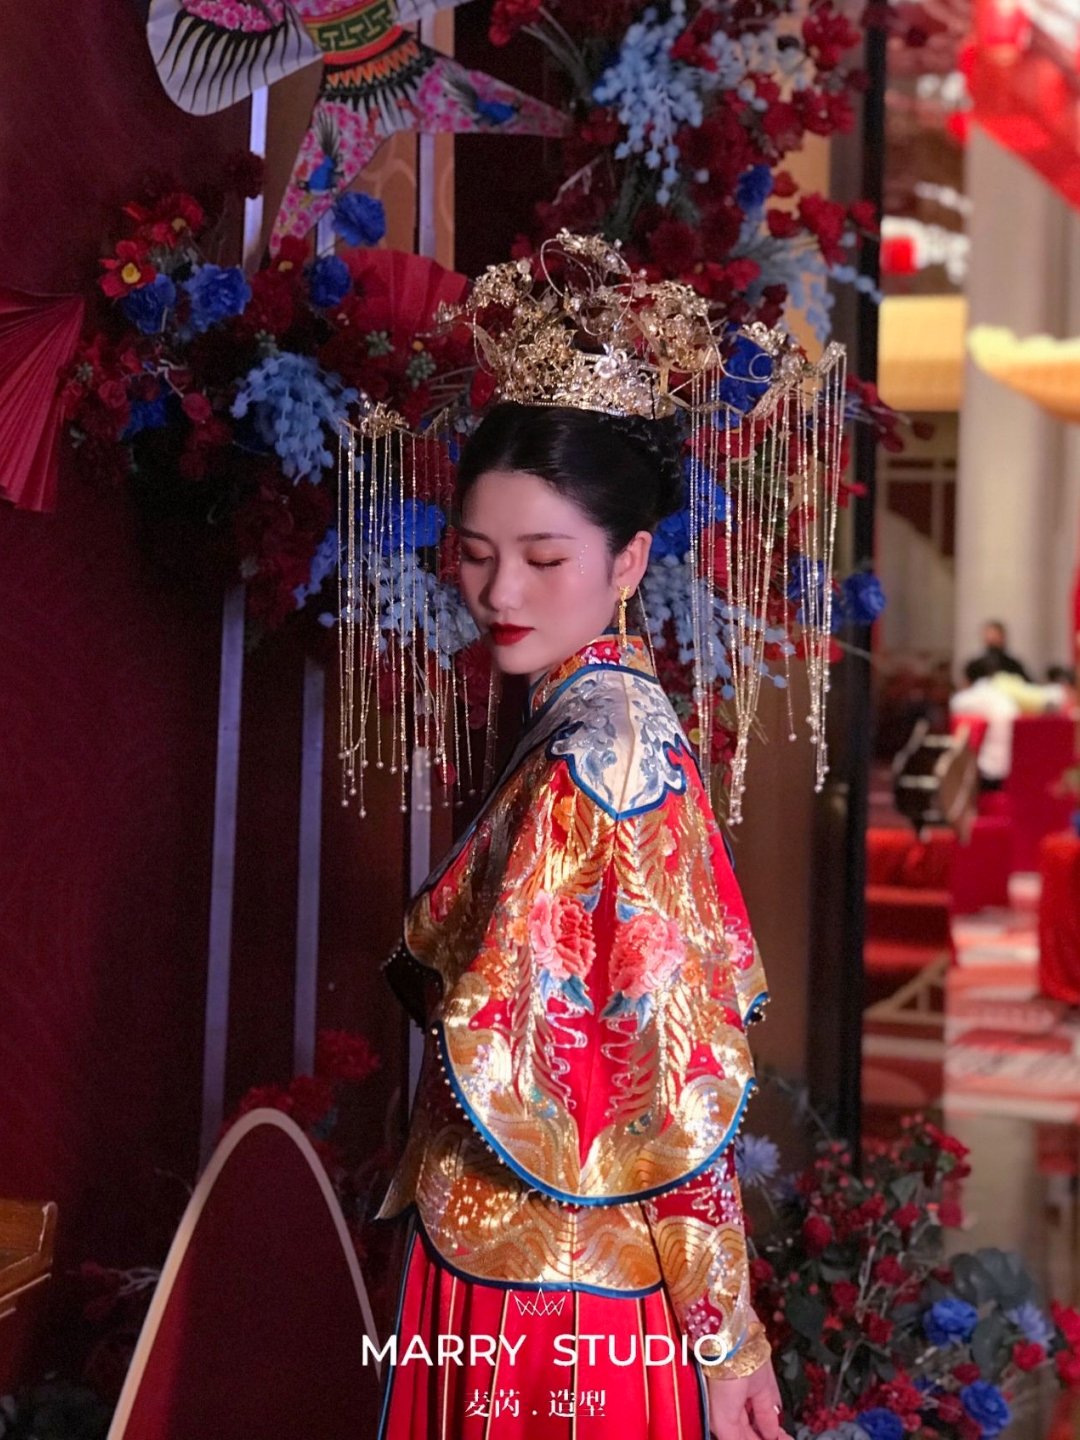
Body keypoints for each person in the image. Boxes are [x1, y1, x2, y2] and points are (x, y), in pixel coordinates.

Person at [374, 403, 786, 1440]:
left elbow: (668, 1090)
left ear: (630, 560)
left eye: (544, 559)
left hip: (557, 1296)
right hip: (522, 1265)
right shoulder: (592, 718)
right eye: (476, 554)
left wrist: (726, 1338)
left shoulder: (604, 759)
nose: (500, 593)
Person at [963, 620, 1031, 683]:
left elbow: (1026, 684)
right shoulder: (974, 666)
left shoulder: (1013, 665)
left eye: (995, 637)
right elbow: (966, 685)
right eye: (990, 637)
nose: (992, 640)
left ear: (1003, 638)